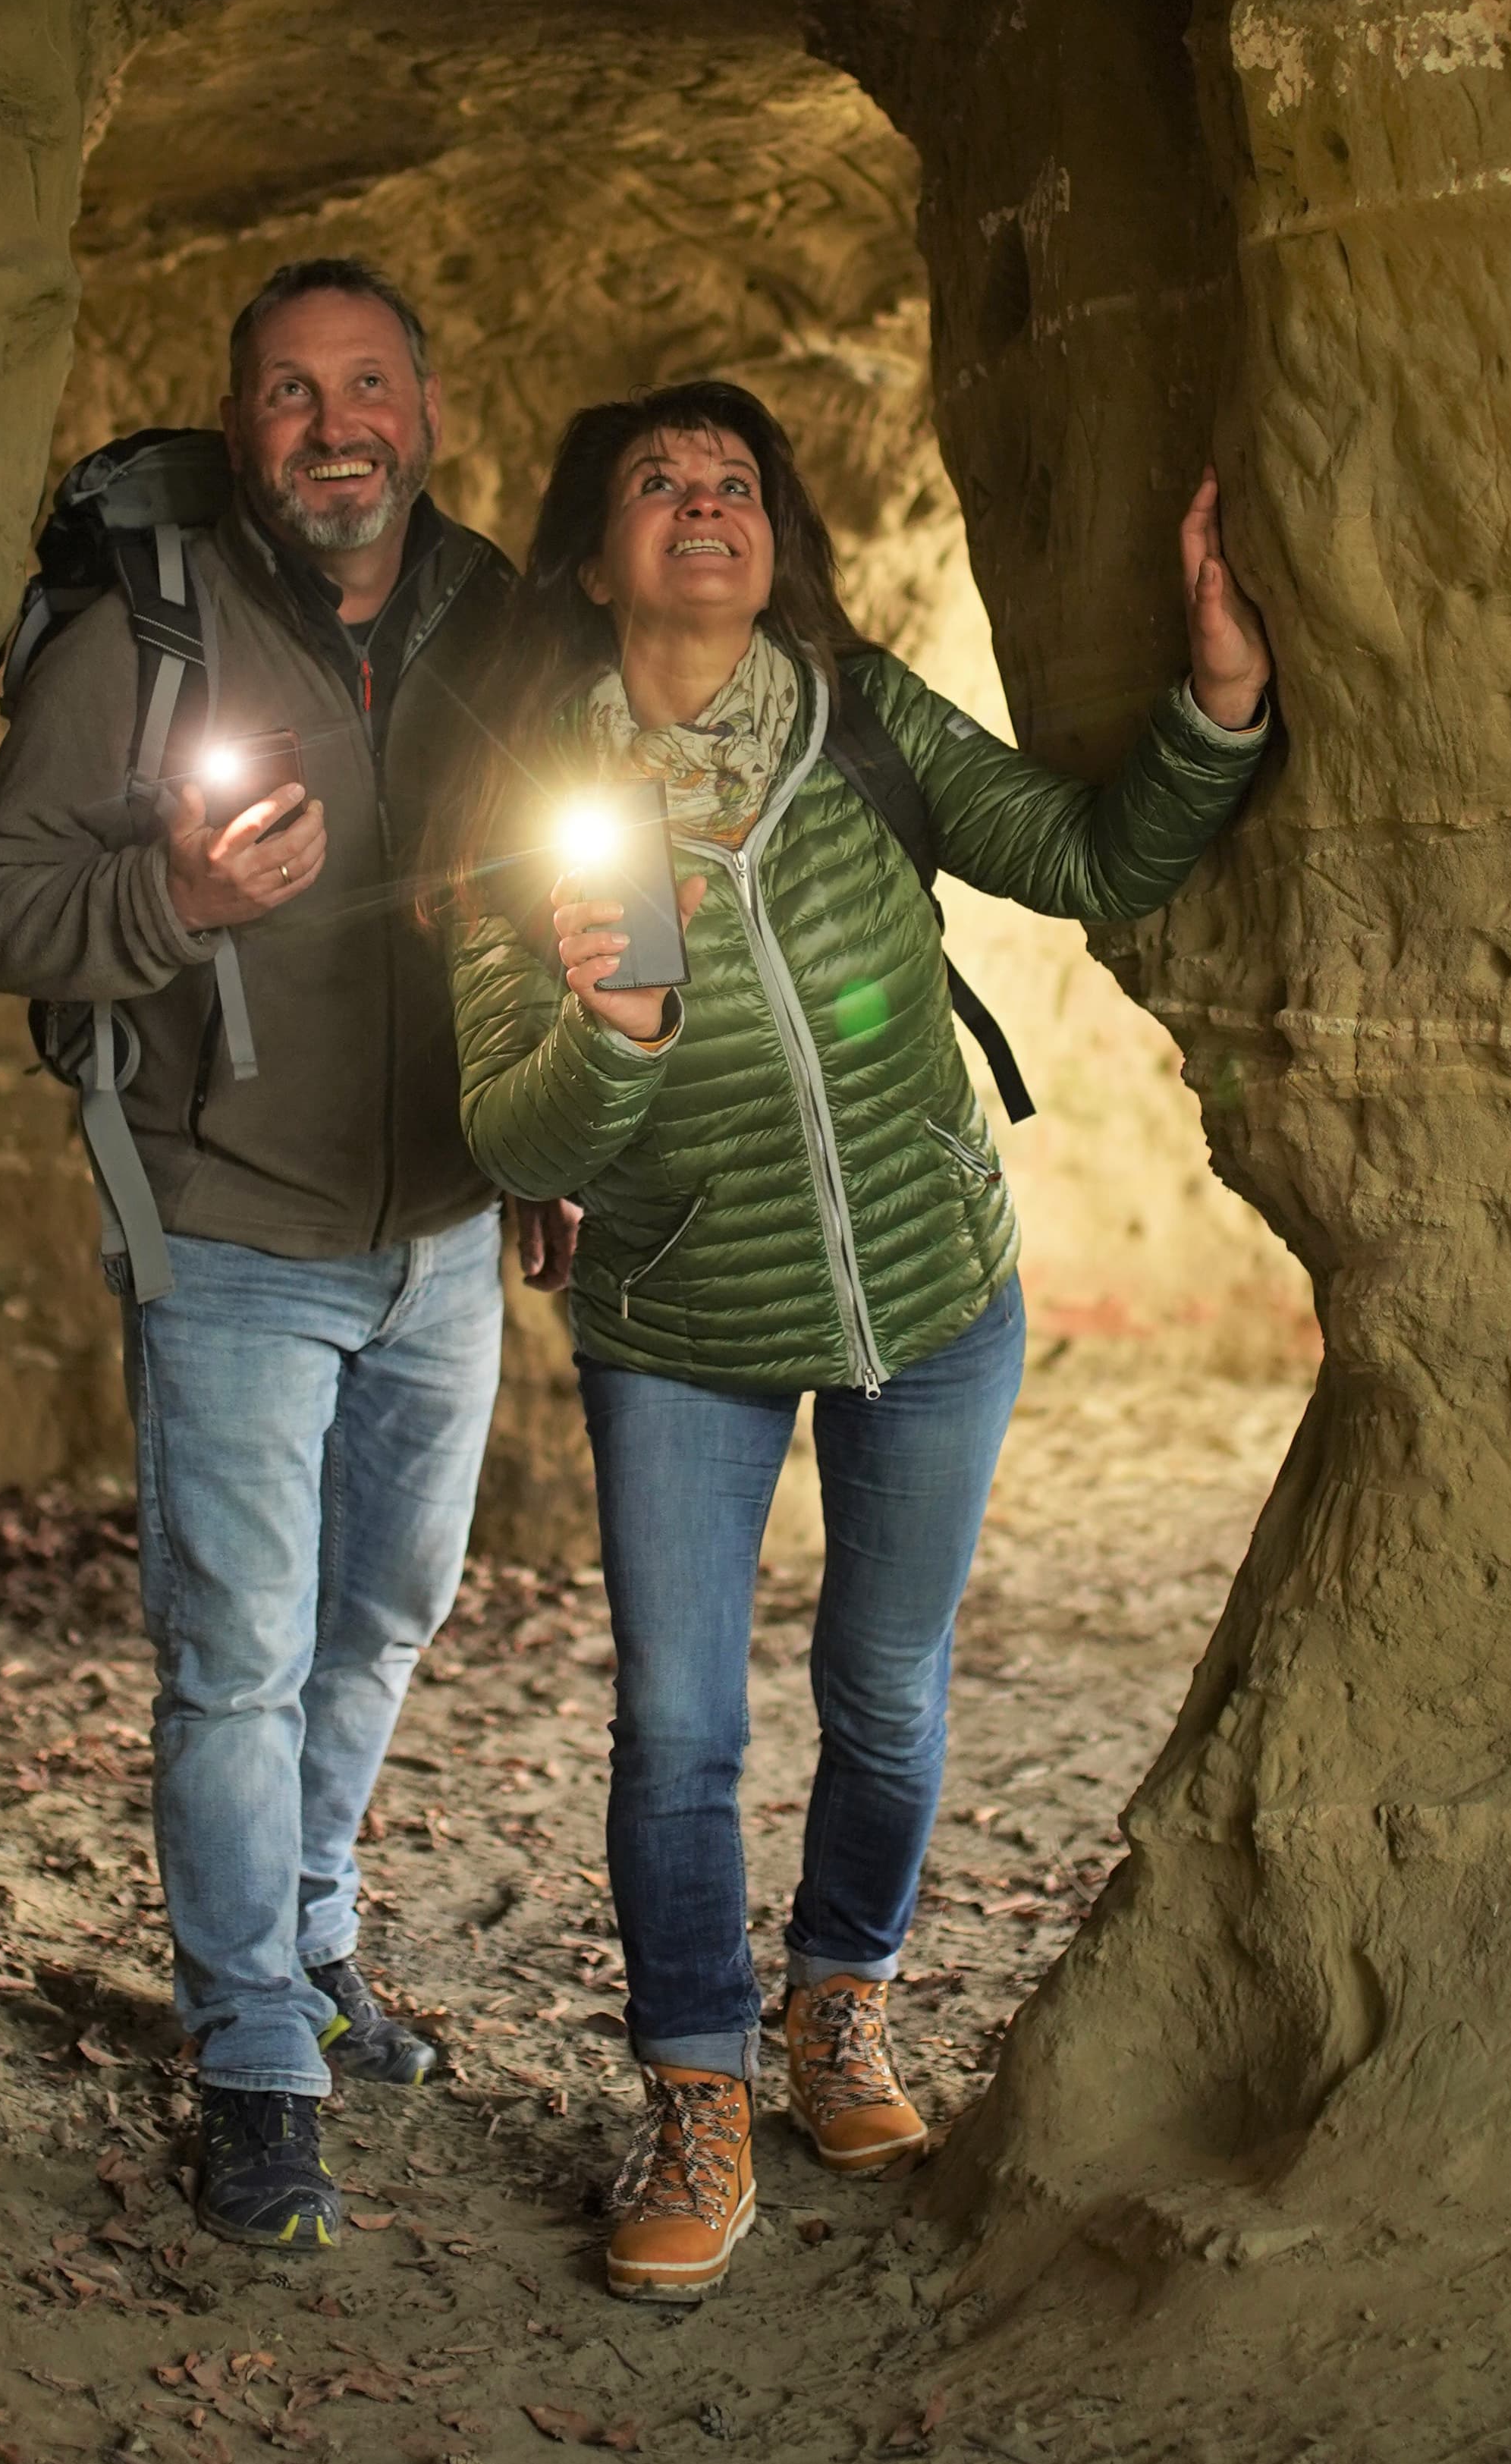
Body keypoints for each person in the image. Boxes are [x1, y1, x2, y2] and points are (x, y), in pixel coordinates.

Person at [445, 382, 1274, 2302]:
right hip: (680, 1325)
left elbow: (1084, 860)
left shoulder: (862, 717)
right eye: (658, 483)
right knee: (678, 1728)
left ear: (777, 537)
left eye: (735, 481)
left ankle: (840, 2007)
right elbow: (513, 1133)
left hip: (929, 1294)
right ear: (598, 556)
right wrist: (617, 1040)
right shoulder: (516, 808)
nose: (703, 504)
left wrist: (1218, 697)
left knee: (885, 1693)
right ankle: (696, 2090)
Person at [0, 260, 565, 2256]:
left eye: (365, 384)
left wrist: (558, 1124)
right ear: (241, 425)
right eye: (287, 396)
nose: (331, 426)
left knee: (383, 1622)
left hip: (442, 1238)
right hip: (222, 1228)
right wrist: (169, 885)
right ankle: (254, 2064)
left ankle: (305, 1953)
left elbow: (578, 884)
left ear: (428, 410)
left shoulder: (500, 627)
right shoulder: (147, 634)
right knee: (234, 1669)